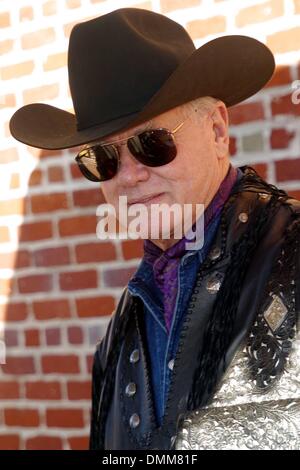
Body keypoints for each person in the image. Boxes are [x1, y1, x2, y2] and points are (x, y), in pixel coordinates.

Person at [10, 8, 300, 451]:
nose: (128, 176)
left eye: (153, 143)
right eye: (102, 159)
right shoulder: (122, 327)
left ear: (218, 129)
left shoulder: (293, 253)